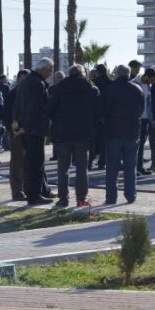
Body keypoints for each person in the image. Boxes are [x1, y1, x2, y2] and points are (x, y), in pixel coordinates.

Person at [46, 66, 99, 208]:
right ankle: (81, 199)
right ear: (83, 74)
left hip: (63, 133)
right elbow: (97, 112)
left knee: (63, 168)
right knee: (82, 168)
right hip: (83, 134)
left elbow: (49, 109)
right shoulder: (91, 90)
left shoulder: (58, 89)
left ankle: (63, 198)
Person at [102, 65, 145, 205]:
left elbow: (104, 111)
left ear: (117, 74)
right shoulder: (137, 89)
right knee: (130, 167)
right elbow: (141, 110)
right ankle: (131, 195)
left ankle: (111, 197)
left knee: (112, 168)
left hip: (113, 132)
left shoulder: (109, 90)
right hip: (132, 132)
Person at [14, 58, 54, 206]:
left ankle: (33, 193)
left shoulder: (25, 82)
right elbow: (34, 109)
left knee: (29, 164)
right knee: (36, 165)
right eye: (50, 70)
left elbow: (17, 105)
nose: (50, 73)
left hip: (24, 129)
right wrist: (27, 127)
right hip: (34, 130)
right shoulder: (38, 84)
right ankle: (34, 195)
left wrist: (17, 126)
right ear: (43, 69)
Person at [6, 69, 30, 201]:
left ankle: (27, 188)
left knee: (27, 163)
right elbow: (8, 114)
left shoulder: (29, 94)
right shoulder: (13, 94)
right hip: (16, 133)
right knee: (17, 163)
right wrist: (13, 130)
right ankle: (17, 191)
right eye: (22, 79)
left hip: (28, 132)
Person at [135, 67, 155, 176]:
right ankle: (134, 167)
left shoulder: (148, 85)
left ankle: (139, 167)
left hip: (145, 119)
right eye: (152, 79)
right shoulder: (134, 83)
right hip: (136, 119)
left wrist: (151, 118)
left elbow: (149, 103)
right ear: (147, 76)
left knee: (142, 144)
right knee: (135, 145)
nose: (152, 82)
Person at [89, 64, 111, 169]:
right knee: (105, 140)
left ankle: (91, 161)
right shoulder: (111, 83)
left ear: (98, 72)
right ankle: (102, 162)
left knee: (94, 140)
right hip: (109, 115)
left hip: (96, 115)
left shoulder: (95, 84)